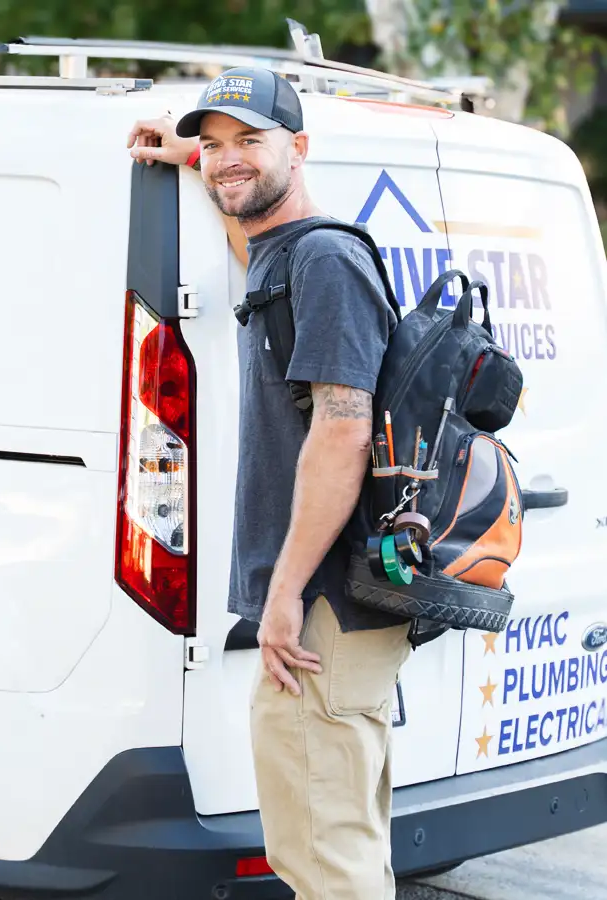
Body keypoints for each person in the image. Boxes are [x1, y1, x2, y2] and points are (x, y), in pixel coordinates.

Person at [127, 67, 413, 900]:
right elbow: (249, 232)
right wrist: (198, 159)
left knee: (324, 861)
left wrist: (284, 593)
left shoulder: (323, 260)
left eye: (250, 139)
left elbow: (343, 428)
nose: (227, 160)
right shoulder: (283, 254)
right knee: (337, 843)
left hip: (319, 605)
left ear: (302, 147)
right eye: (217, 143)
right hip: (328, 604)